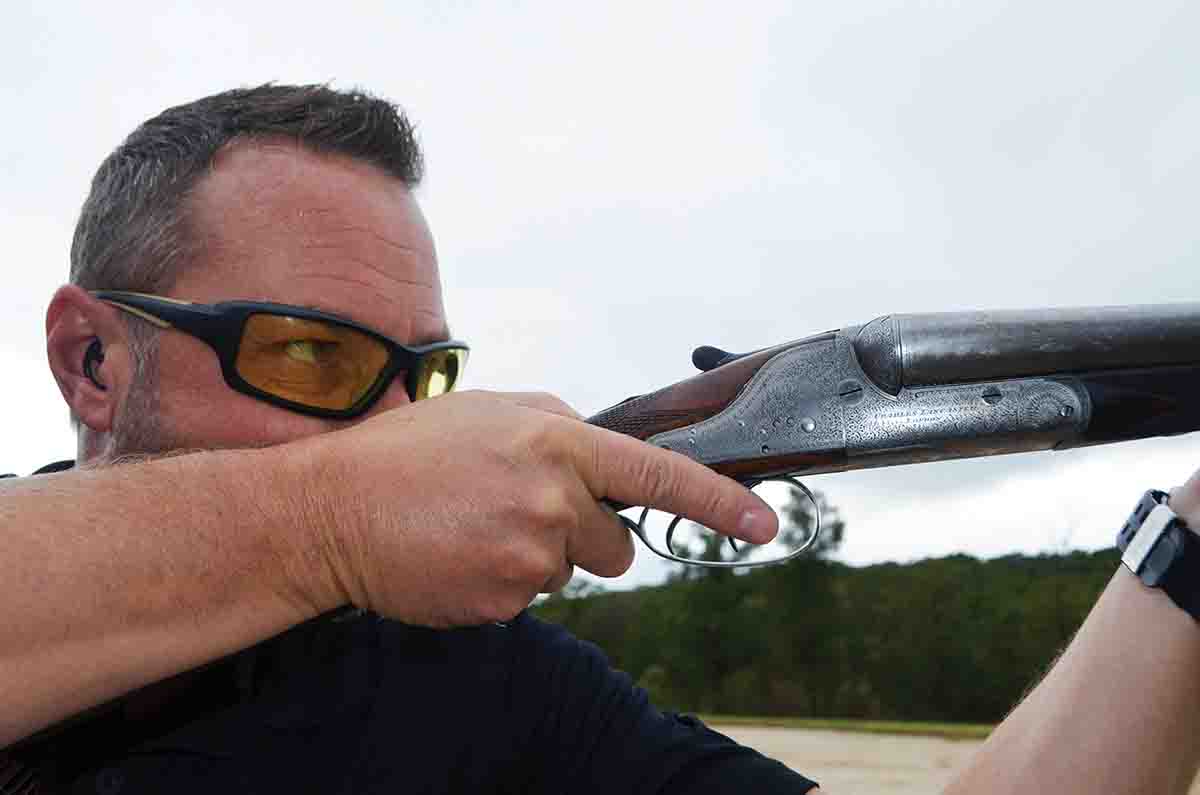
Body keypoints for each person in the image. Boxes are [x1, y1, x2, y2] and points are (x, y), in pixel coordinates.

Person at [1, 84, 1198, 795]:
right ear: (91, 363)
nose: (394, 430)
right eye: (311, 356)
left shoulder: (472, 674)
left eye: (428, 378)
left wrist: (1188, 548)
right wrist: (332, 522)